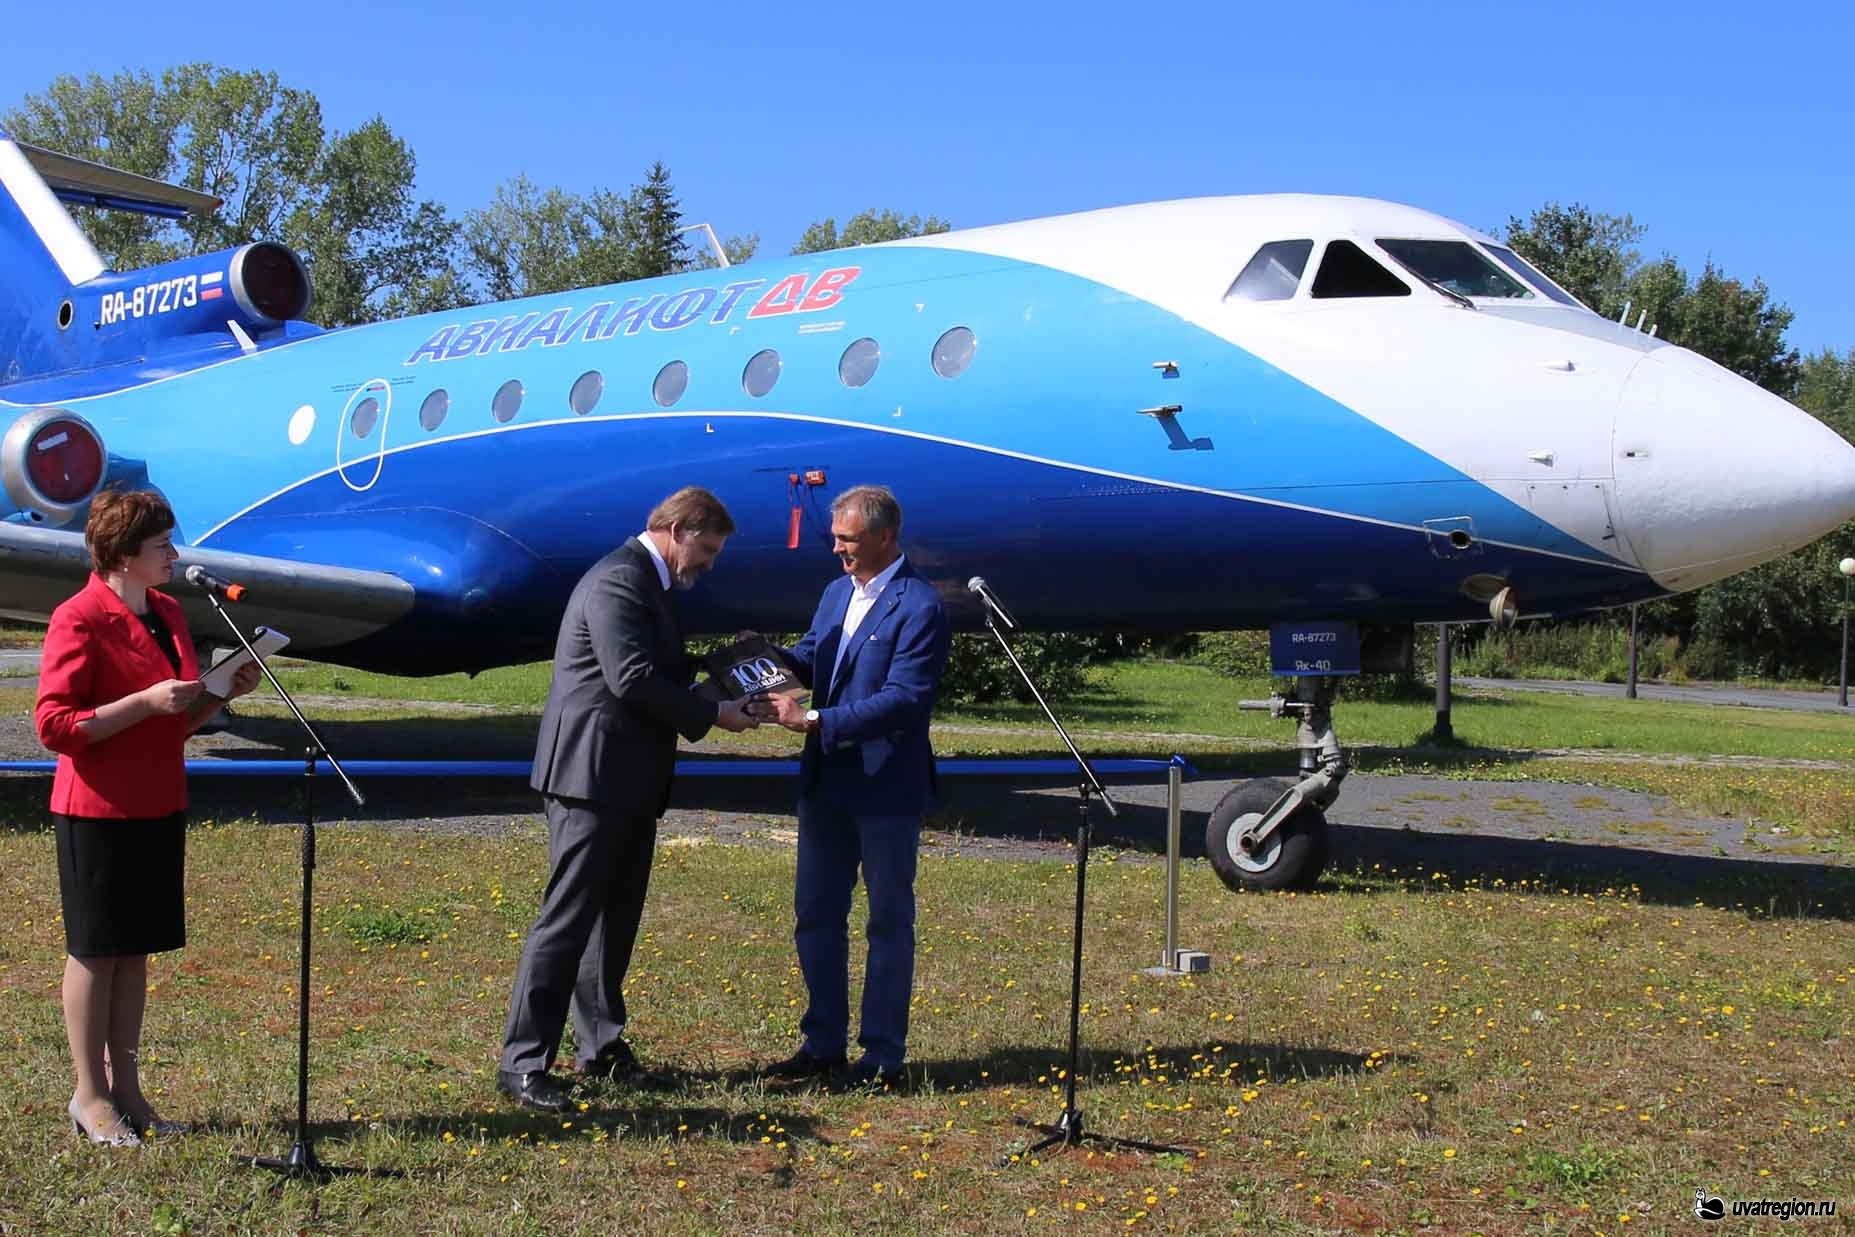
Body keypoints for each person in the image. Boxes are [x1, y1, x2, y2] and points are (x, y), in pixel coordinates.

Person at [498, 486, 758, 1113]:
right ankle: (524, 1062)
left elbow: (657, 664)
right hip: (590, 777)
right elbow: (631, 677)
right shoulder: (619, 580)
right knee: (566, 921)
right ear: (675, 529)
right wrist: (714, 711)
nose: (709, 563)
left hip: (627, 776)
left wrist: (733, 665)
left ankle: (601, 1047)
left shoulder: (648, 583)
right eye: (707, 549)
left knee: (615, 920)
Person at [34, 489, 263, 1146]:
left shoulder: (165, 611)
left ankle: (128, 1091)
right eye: (162, 545)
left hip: (158, 800)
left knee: (134, 954)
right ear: (124, 553)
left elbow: (174, 723)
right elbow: (55, 725)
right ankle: (89, 1094)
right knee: (96, 951)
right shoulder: (78, 617)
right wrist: (143, 700)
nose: (174, 554)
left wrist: (220, 689)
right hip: (96, 808)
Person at [751, 485, 950, 1090]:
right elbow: (813, 659)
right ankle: (822, 1046)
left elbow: (905, 700)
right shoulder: (838, 592)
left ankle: (883, 1057)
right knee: (816, 915)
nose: (836, 548)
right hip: (827, 783)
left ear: (886, 537)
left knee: (888, 922)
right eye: (835, 537)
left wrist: (812, 720)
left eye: (848, 539)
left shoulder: (920, 607)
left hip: (885, 786)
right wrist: (757, 665)